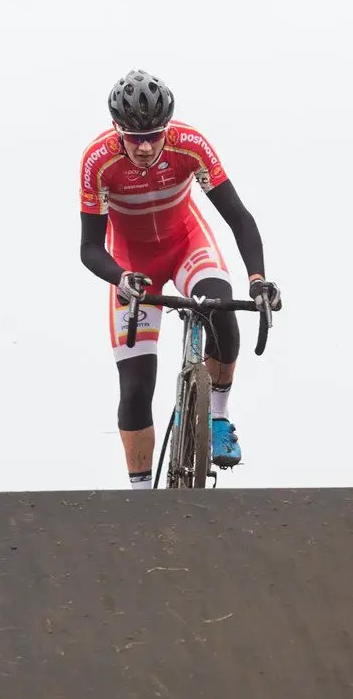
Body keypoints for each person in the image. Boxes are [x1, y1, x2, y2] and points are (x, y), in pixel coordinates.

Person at [79, 69, 281, 489]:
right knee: (136, 386)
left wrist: (258, 277)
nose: (146, 146)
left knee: (222, 310)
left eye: (154, 134)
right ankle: (140, 496)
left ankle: (219, 418)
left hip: (186, 242)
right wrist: (120, 278)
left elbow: (239, 218)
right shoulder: (97, 161)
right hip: (132, 264)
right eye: (134, 138)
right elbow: (90, 249)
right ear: (117, 130)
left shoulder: (191, 144)